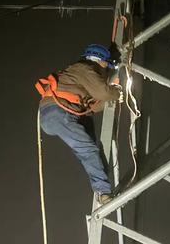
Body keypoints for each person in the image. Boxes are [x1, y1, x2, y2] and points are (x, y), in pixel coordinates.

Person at [36, 44, 122, 205]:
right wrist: (116, 92)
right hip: (58, 113)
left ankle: (100, 173)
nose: (106, 69)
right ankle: (103, 191)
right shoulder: (86, 68)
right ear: (99, 60)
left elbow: (92, 105)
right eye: (106, 64)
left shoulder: (79, 74)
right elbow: (103, 92)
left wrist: (111, 99)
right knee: (87, 149)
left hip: (59, 113)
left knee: (89, 138)